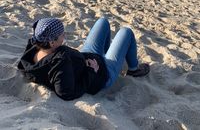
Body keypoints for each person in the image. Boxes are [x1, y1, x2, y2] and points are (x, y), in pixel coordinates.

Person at [18, 17, 150, 101]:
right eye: (61, 34)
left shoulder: (34, 46)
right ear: (52, 42)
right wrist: (92, 71)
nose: (65, 34)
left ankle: (108, 55)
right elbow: (66, 93)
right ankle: (133, 70)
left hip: (87, 56)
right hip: (102, 74)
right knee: (126, 32)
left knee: (102, 21)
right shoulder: (59, 62)